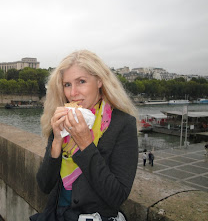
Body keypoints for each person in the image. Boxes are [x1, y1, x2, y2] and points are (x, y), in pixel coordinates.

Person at [30, 50, 139, 221]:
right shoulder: (63, 120)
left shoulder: (122, 124)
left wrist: (86, 145)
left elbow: (117, 196)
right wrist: (57, 141)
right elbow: (44, 185)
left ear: (99, 81)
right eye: (67, 84)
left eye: (81, 81)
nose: (73, 93)